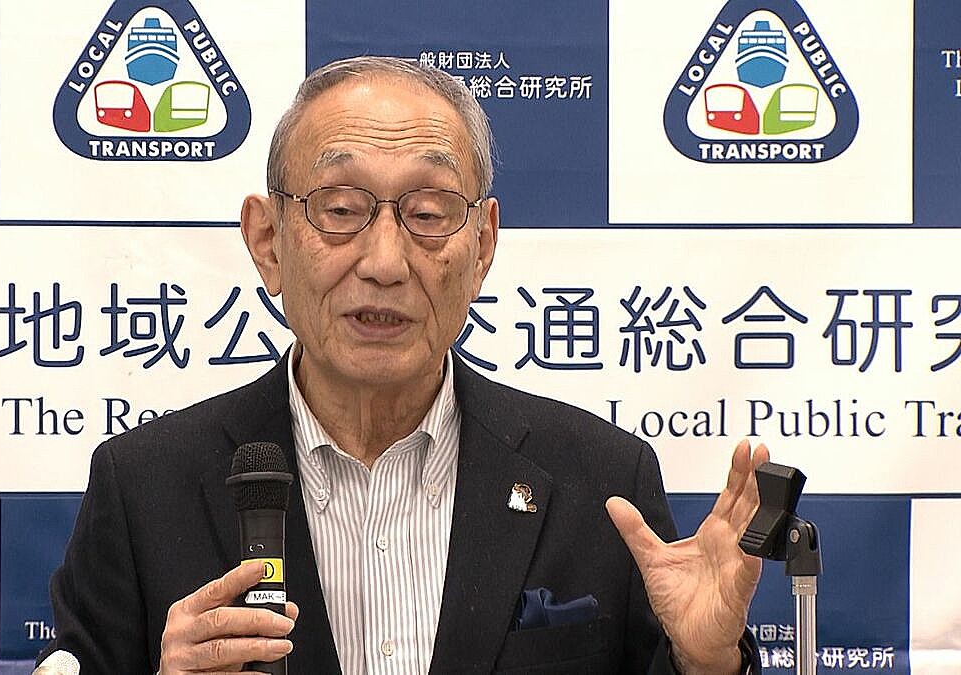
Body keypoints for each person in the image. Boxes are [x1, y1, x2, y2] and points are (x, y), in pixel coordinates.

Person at [42, 56, 769, 674]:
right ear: (267, 241)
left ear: (482, 245)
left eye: (427, 213)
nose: (385, 262)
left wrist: (707, 663)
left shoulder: (602, 481)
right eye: (339, 209)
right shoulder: (142, 488)